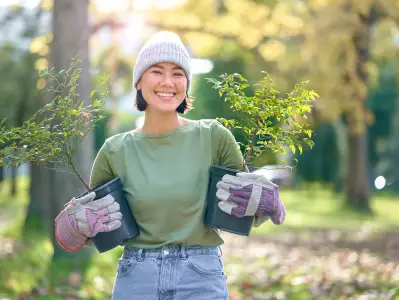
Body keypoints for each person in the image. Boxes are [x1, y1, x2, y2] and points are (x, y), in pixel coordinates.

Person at [54, 31, 286, 300]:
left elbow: (244, 206)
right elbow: (95, 229)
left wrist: (268, 201)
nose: (168, 82)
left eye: (178, 73)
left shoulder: (213, 137)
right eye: (157, 71)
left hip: (200, 277)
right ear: (139, 81)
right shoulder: (115, 151)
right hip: (137, 278)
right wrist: (74, 225)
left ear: (187, 82)